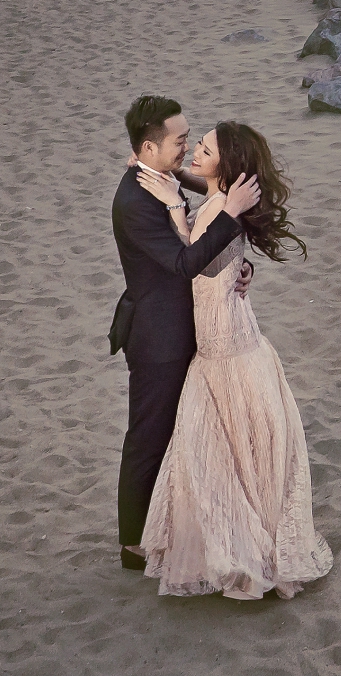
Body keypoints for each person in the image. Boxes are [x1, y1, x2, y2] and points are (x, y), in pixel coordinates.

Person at [133, 121, 332, 599]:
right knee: (221, 457)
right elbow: (214, 231)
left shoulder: (223, 207)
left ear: (227, 165)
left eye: (205, 149)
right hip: (224, 347)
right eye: (196, 145)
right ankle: (232, 550)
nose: (196, 152)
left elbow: (193, 260)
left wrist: (174, 206)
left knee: (224, 458)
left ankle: (245, 556)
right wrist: (165, 176)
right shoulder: (220, 201)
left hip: (229, 351)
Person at [111, 96, 259, 571]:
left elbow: (200, 218)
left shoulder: (160, 177)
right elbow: (181, 263)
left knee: (185, 436)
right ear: (149, 146)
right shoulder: (135, 202)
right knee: (149, 438)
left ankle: (172, 528)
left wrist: (241, 262)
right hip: (159, 337)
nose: (187, 146)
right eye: (179, 140)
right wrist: (232, 213)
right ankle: (133, 546)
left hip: (190, 327)